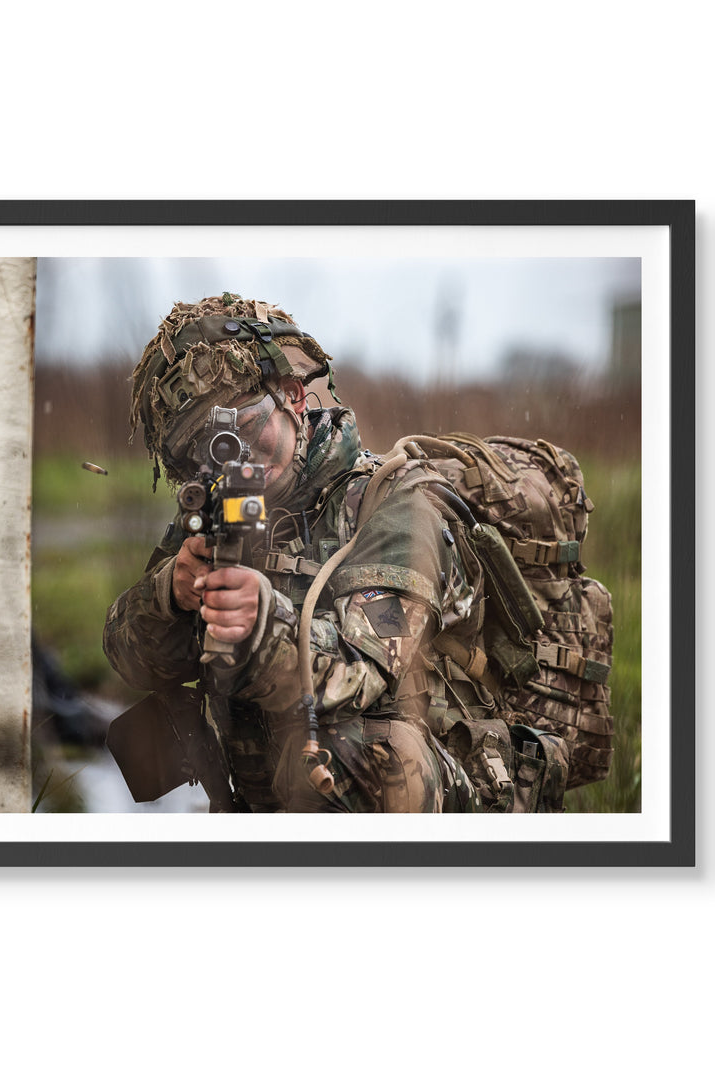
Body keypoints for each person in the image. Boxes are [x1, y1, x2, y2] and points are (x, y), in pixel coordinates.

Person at [103, 294, 491, 812]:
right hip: (265, 797)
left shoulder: (396, 504)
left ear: (294, 397)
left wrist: (263, 623)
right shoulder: (217, 509)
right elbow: (132, 662)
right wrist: (171, 593)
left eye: (241, 426)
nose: (230, 455)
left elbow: (366, 669)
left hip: (421, 789)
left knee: (353, 751)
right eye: (204, 447)